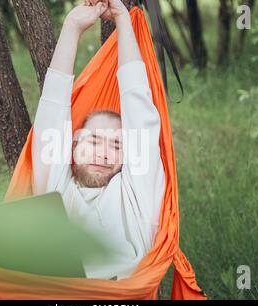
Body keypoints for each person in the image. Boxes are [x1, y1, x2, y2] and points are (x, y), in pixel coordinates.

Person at [32, 0, 165, 280]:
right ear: (73, 144)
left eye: (116, 145)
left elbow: (138, 105)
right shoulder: (55, 189)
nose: (104, 153)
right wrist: (71, 27)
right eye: (93, 141)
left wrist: (123, 20)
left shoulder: (135, 197)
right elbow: (53, 107)